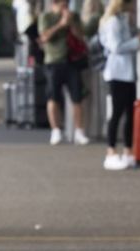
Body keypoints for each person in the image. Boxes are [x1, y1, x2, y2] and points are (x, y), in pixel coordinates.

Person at [98, 0, 140, 170]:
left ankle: (128, 151)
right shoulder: (112, 22)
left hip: (128, 73)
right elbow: (116, 47)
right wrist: (137, 41)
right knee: (117, 113)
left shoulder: (123, 20)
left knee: (130, 112)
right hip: (117, 73)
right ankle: (110, 152)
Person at [39, 0, 90, 146]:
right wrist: (60, 24)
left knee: (77, 97)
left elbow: (82, 35)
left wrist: (71, 24)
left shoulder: (74, 16)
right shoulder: (46, 17)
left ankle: (79, 131)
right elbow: (44, 37)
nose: (65, 5)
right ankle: (55, 130)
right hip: (54, 60)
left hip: (72, 60)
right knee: (53, 96)